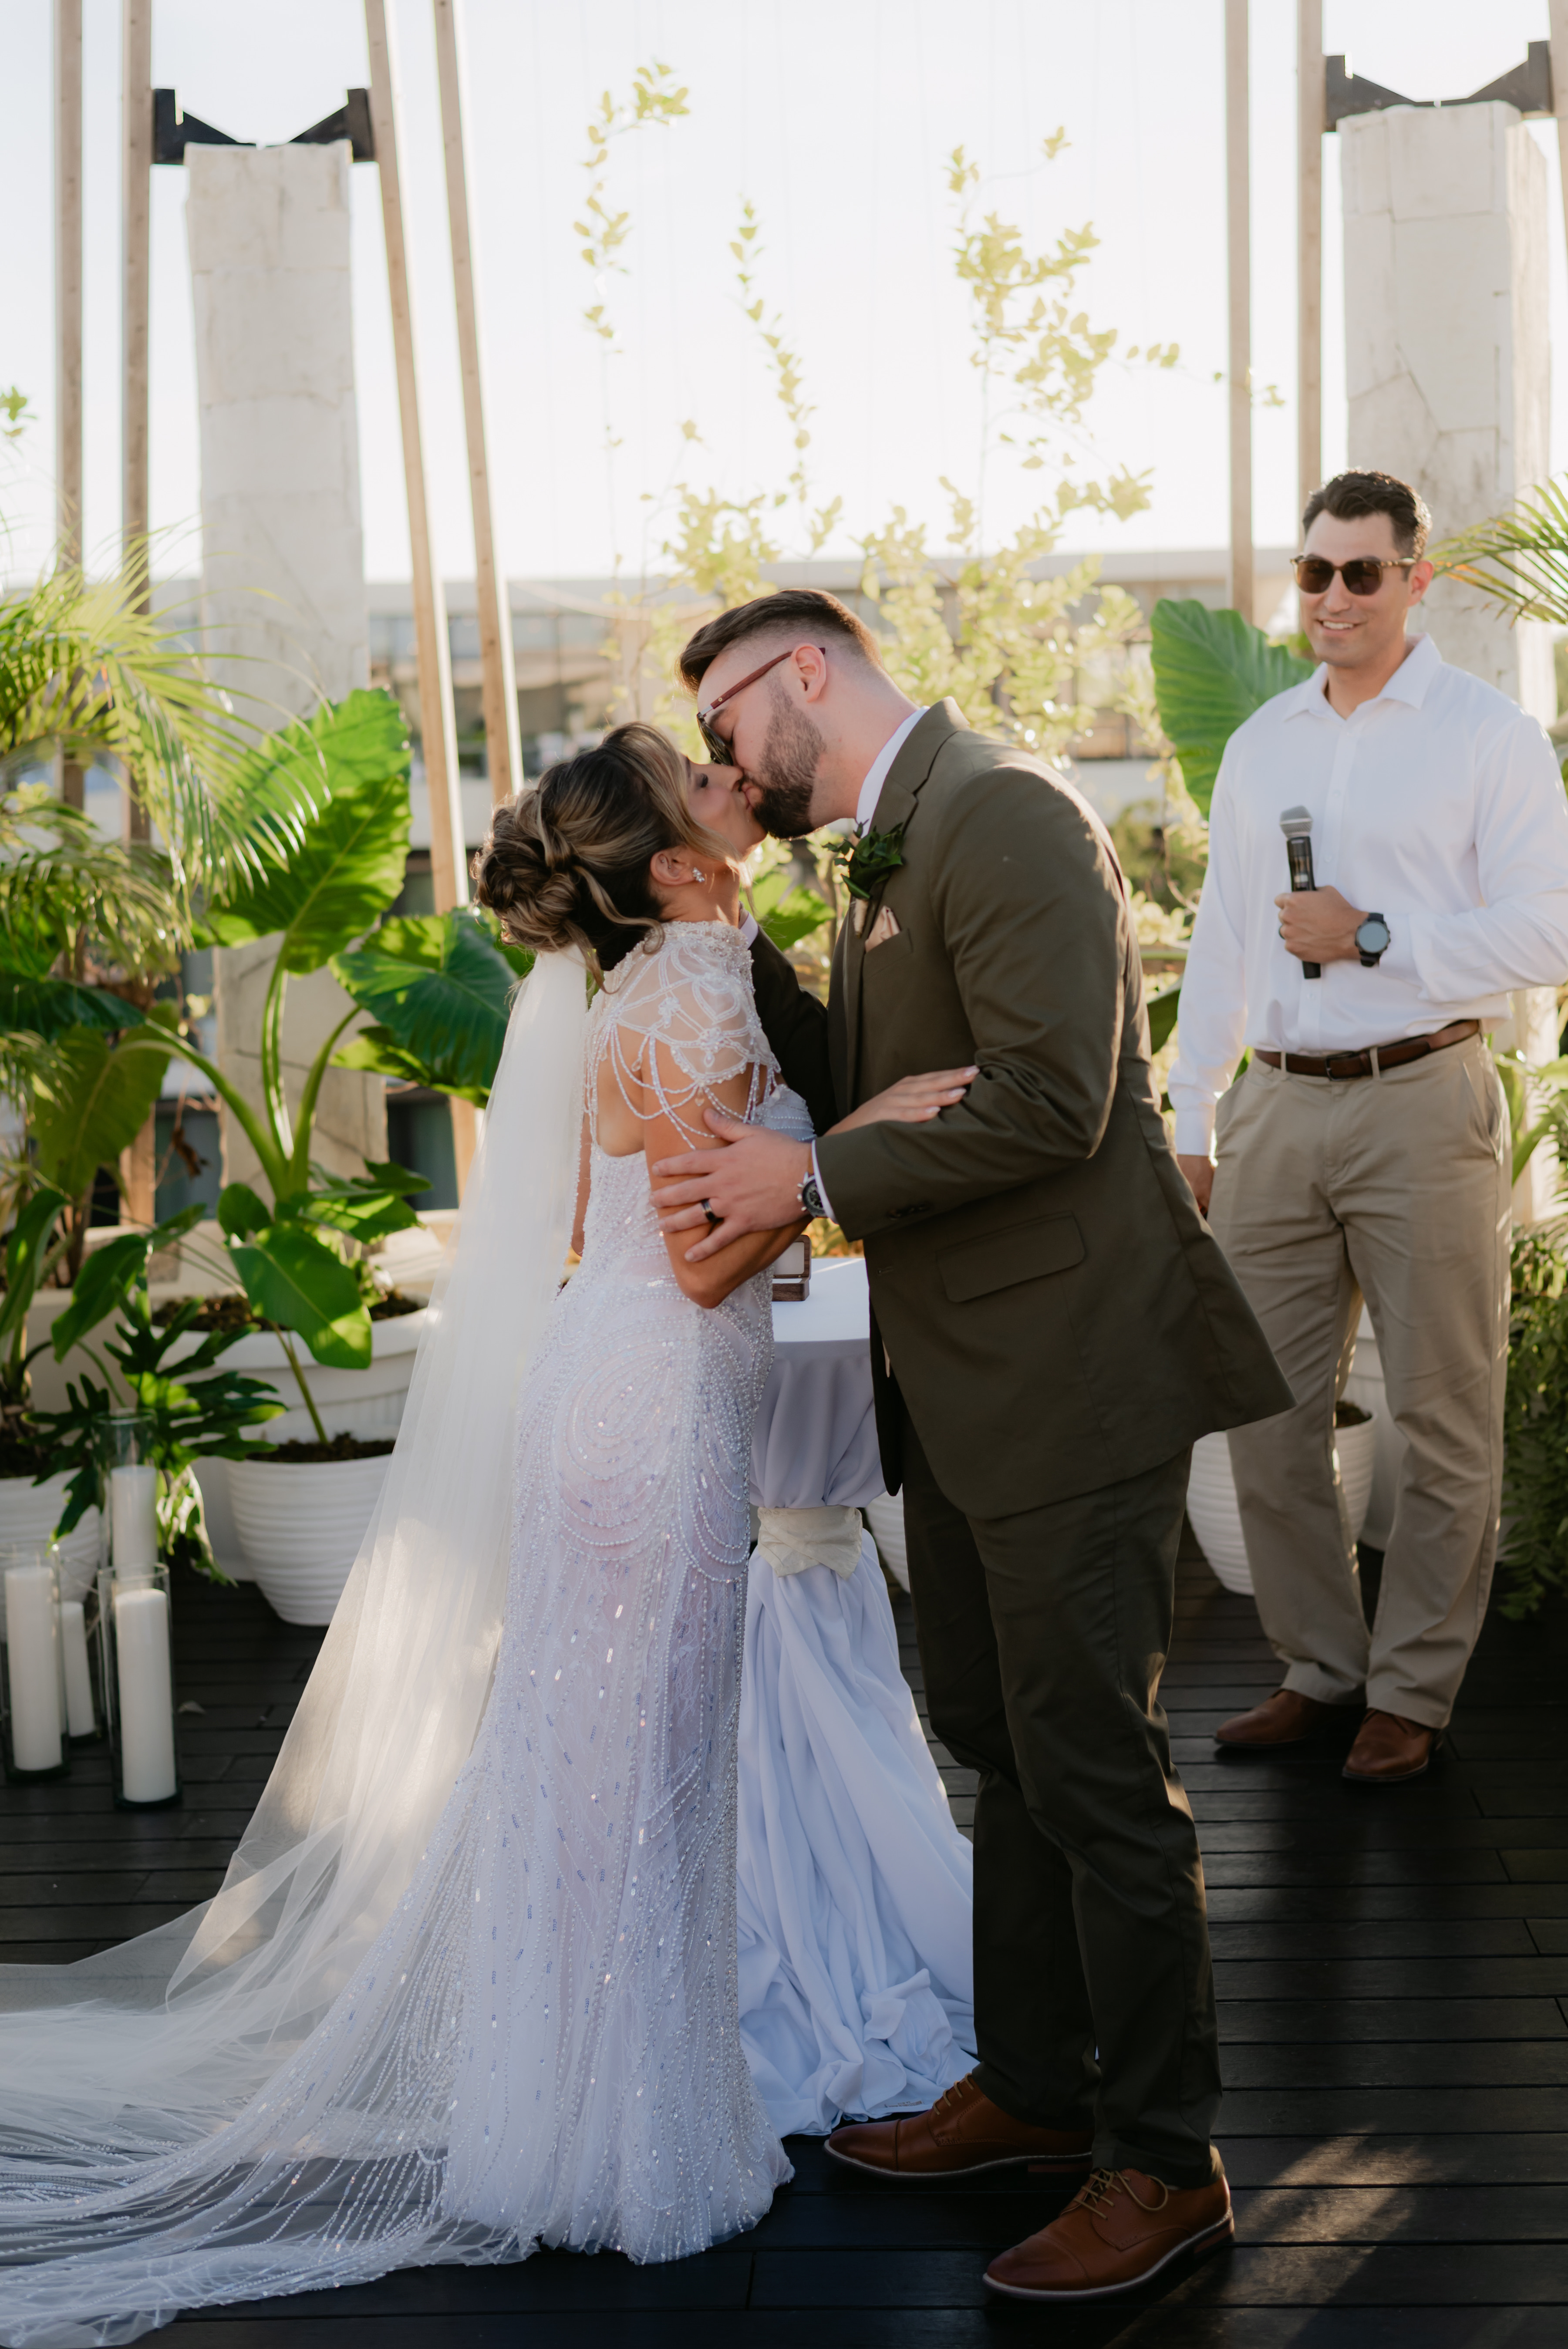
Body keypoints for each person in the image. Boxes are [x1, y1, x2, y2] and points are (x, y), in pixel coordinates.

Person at [0, 725, 965, 2343]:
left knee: (594, 1779)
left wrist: (795, 1166)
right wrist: (835, 1161)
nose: (736, 780)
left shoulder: (645, 980)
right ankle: (631, 2150)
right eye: (706, 783)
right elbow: (710, 1253)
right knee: (646, 1778)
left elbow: (610, 1231)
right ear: (670, 863)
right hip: (654, 1411)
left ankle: (564, 2128)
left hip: (612, 1390)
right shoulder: (702, 986)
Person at [652, 588, 1292, 2305]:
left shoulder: (1006, 815)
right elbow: (879, 1076)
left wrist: (813, 1180)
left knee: (1092, 1768)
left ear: (806, 674)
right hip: (957, 1379)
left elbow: (1048, 1100)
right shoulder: (881, 854)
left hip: (1070, 1373)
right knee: (994, 1736)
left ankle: (1164, 2160)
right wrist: (735, 950)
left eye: (723, 720)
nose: (723, 756)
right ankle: (1031, 2083)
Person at [1171, 468, 1568, 1783]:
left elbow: (1546, 929)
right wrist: (1190, 1117)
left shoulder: (1484, 735)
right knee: (1262, 1410)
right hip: (1276, 1102)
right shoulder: (1263, 741)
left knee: (1445, 1415)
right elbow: (1224, 934)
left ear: (1416, 578)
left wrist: (1375, 935)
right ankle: (1319, 1667)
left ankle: (1410, 1692)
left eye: (1360, 572)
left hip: (1422, 1093)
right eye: (1313, 571)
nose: (1332, 596)